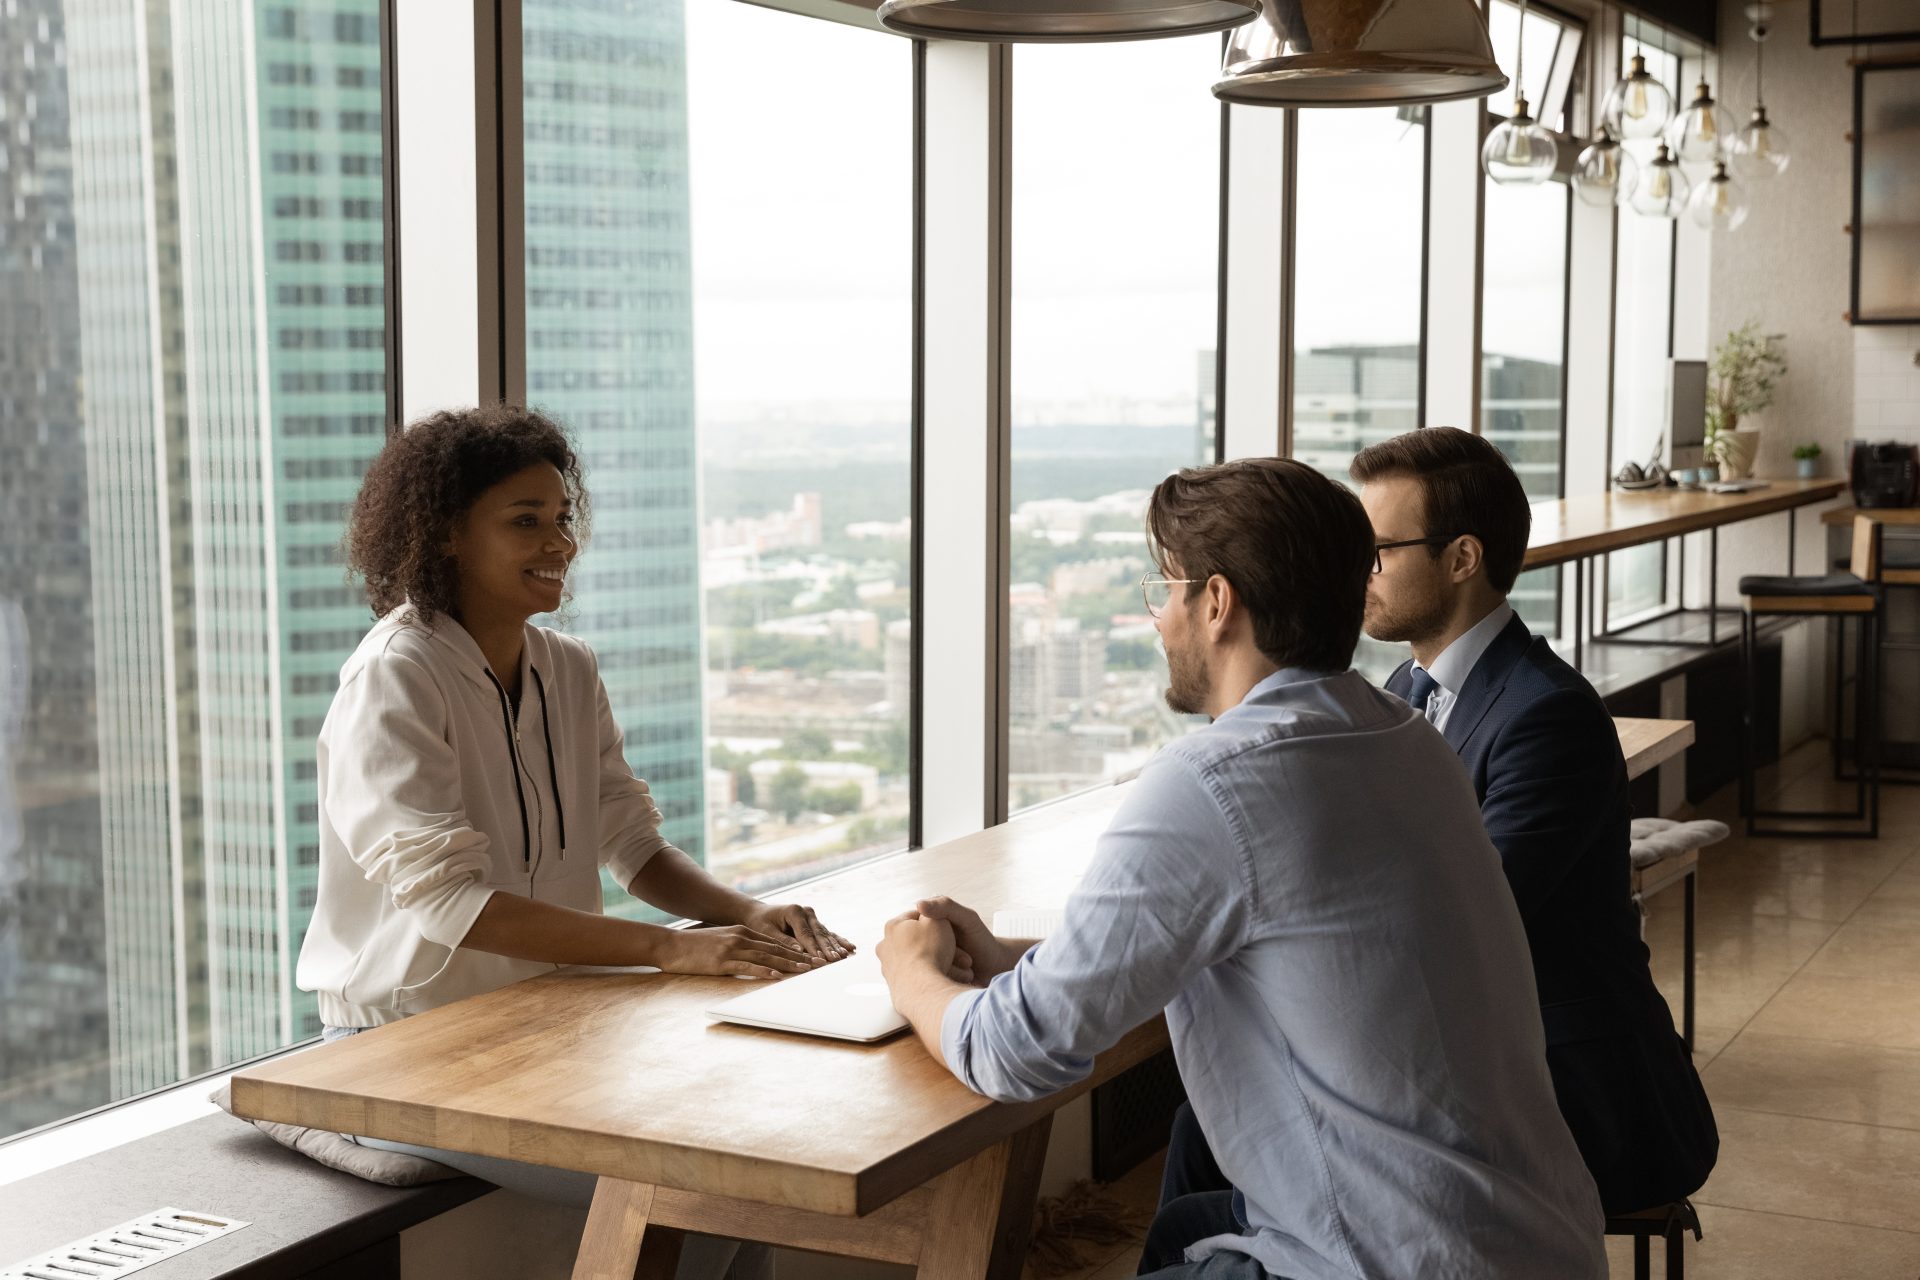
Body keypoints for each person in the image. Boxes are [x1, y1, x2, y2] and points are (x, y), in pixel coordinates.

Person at [876, 458, 1605, 1280]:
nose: (1160, 619)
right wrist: (1012, 958)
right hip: (1535, 1241)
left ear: (1216, 603)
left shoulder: (1216, 781)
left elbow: (1014, 1051)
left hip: (1392, 1262)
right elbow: (1283, 927)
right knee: (1188, 1225)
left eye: (1167, 589)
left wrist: (911, 978)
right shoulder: (1401, 736)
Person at [298, 404, 854, 1276]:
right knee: (702, 1195)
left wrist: (749, 914)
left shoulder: (568, 667)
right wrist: (672, 954)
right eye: (525, 522)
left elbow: (631, 845)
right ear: (445, 534)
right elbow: (453, 908)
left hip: (549, 1022)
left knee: (759, 1167)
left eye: (562, 520)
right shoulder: (393, 680)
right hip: (406, 1048)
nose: (558, 541)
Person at [1349, 425, 1717, 1214]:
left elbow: (1473, 917)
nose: (1360, 572)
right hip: (1477, 1052)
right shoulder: (1409, 688)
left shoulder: (1547, 714)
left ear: (1462, 558)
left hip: (1573, 1084)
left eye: (1378, 550)